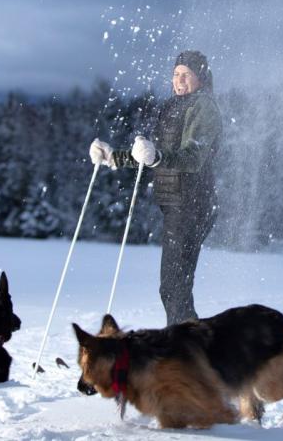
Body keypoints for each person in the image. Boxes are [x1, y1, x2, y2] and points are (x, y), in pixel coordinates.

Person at [88, 50, 223, 326]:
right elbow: (152, 155)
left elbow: (193, 156)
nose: (179, 80)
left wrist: (158, 156)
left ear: (200, 78)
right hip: (177, 204)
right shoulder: (174, 106)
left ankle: (189, 355)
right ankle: (192, 350)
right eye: (176, 74)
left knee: (174, 288)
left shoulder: (204, 107)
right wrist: (115, 156)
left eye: (186, 75)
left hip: (193, 203)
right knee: (174, 288)